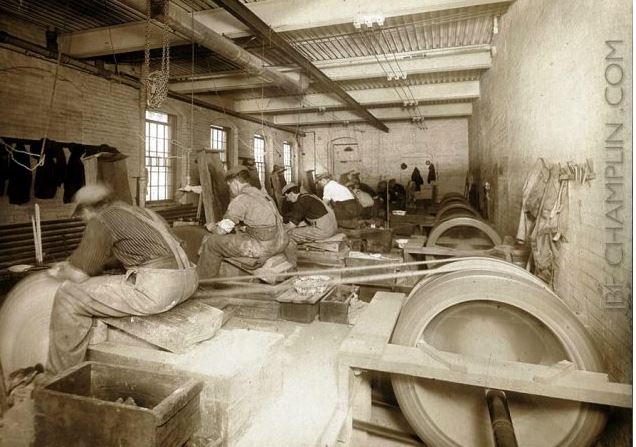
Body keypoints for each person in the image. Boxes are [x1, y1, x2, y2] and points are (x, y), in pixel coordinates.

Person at [46, 183, 197, 375]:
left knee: (68, 294)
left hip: (159, 288)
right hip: (188, 279)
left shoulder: (101, 220)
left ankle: (58, 377)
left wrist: (60, 271)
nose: (82, 219)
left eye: (80, 215)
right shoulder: (142, 213)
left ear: (87, 208)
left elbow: (79, 275)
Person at [197, 165, 288, 278]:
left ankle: (204, 284)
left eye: (229, 186)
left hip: (262, 247)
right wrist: (246, 228)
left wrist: (212, 227)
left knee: (212, 243)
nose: (230, 190)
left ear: (235, 182)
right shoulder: (264, 196)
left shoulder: (241, 199)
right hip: (279, 241)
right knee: (240, 233)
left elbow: (221, 231)